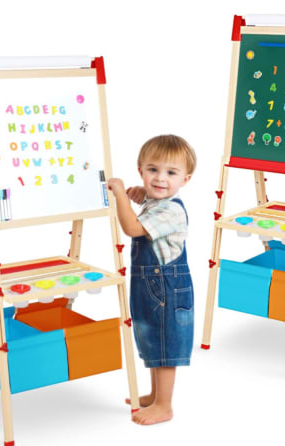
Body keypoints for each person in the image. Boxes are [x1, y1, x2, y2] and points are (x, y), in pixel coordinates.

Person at [107, 134, 196, 425]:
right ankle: (155, 395)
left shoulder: (171, 210)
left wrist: (121, 195)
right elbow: (149, 198)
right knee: (152, 341)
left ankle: (165, 405)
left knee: (166, 347)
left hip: (167, 289)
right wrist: (137, 193)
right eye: (153, 170)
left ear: (186, 179)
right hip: (150, 286)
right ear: (141, 170)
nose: (160, 178)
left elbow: (132, 228)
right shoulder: (157, 200)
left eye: (171, 173)